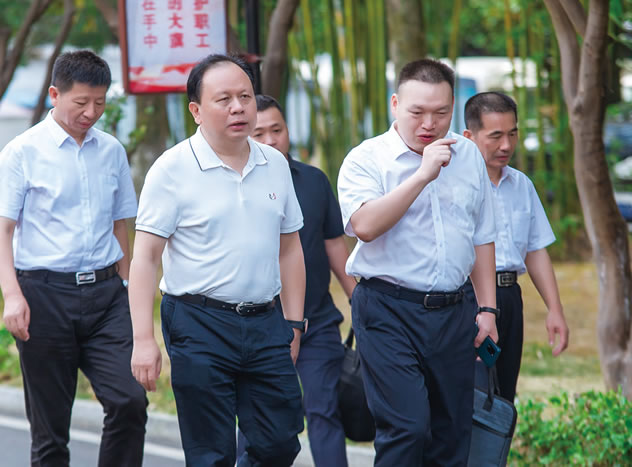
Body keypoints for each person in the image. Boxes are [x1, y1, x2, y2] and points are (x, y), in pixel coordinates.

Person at [129, 54, 306, 466]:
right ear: (196, 110)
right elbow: (145, 258)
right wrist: (143, 340)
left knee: (280, 442)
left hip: (266, 321)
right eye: (223, 99)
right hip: (198, 322)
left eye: (245, 96)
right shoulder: (171, 169)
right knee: (210, 451)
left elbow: (290, 247)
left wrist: (294, 322)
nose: (238, 107)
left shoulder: (274, 163)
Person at [0, 50, 147, 466]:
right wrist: (12, 296)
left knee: (129, 401)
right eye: (81, 102)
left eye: (100, 102)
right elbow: (1, 232)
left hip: (107, 296)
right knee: (51, 432)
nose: (91, 112)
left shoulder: (111, 151)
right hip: (44, 297)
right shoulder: (21, 152)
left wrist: (127, 287)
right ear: (55, 95)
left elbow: (120, 226)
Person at [337, 58, 499, 466]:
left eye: (441, 113)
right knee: (406, 428)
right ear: (395, 104)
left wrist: (488, 309)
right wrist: (422, 174)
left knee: (452, 433)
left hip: (454, 311)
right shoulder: (366, 159)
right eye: (417, 112)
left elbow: (481, 236)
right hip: (388, 309)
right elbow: (364, 226)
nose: (429, 123)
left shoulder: (468, 156)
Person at [236, 94, 357, 466]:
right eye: (260, 133)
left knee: (324, 410)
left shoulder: (314, 181)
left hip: (316, 320)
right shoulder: (234, 185)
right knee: (258, 419)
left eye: (278, 130)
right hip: (258, 323)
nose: (271, 140)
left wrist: (361, 301)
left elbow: (334, 246)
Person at [464, 91, 570, 401]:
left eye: (512, 134)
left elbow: (535, 250)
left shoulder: (522, 184)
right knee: (472, 395)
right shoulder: (455, 186)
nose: (507, 145)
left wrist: (555, 310)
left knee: (503, 397)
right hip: (470, 299)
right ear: (470, 136)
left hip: (510, 298)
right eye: (496, 136)